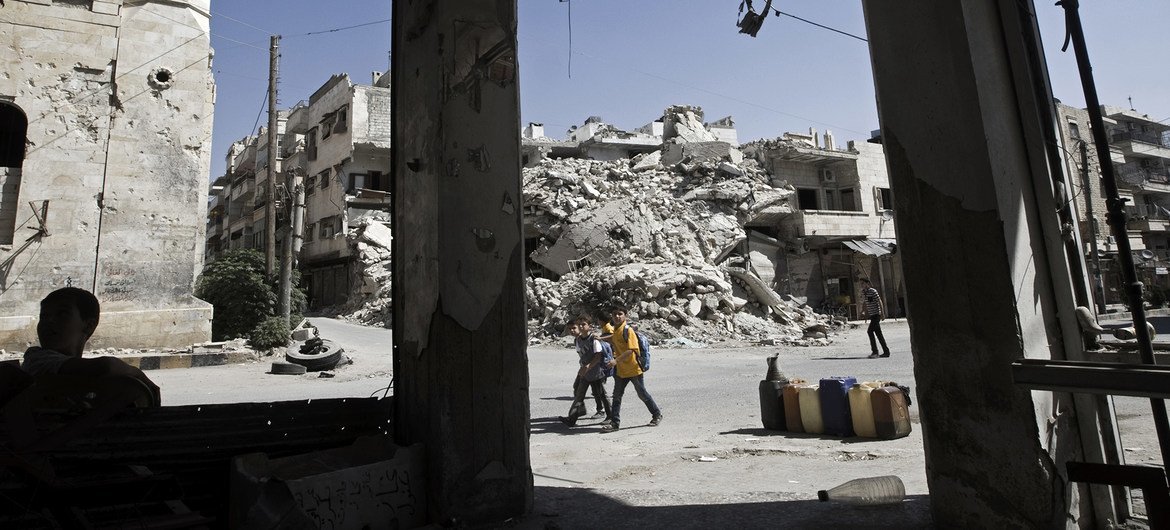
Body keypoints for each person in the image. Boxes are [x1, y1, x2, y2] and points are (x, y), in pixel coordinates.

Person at [22, 287, 161, 404]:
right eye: (44, 316)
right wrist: (136, 373)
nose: (49, 321)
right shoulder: (37, 359)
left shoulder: (80, 373)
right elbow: (106, 366)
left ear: (89, 325)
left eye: (62, 314)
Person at [601, 306, 662, 433]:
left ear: (625, 316)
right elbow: (614, 339)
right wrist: (600, 339)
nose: (617, 316)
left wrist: (615, 361)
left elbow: (631, 350)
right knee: (616, 396)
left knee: (642, 394)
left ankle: (656, 414)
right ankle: (614, 423)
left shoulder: (628, 331)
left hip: (633, 369)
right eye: (615, 314)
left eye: (620, 314)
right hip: (621, 371)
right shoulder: (617, 330)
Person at [559, 316, 613, 427]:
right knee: (579, 395)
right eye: (579, 325)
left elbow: (598, 356)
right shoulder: (578, 340)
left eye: (583, 324)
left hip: (596, 372)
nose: (581, 327)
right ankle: (572, 419)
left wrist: (588, 366)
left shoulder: (594, 339)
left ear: (589, 326)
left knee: (602, 395)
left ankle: (610, 416)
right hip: (586, 372)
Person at [860, 278, 891, 359]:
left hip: (876, 315)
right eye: (861, 283)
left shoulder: (873, 291)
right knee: (878, 334)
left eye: (863, 283)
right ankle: (886, 351)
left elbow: (879, 301)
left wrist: (883, 313)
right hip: (871, 315)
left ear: (867, 283)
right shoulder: (864, 292)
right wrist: (864, 312)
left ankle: (875, 352)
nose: (861, 285)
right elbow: (865, 303)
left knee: (870, 331)